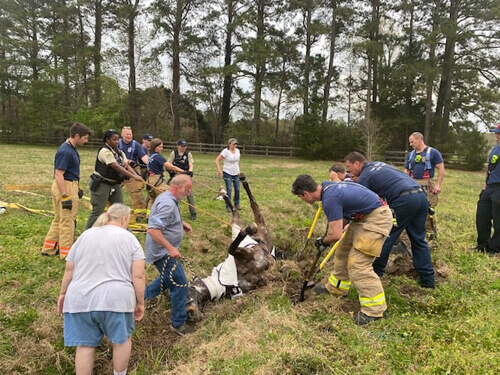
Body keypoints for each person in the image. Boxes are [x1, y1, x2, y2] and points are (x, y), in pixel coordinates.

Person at [292, 175, 393, 325]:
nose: (303, 200)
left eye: (301, 198)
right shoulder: (329, 188)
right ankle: (337, 288)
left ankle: (375, 311)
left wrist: (323, 241)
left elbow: (335, 234)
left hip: (376, 218)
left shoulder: (330, 198)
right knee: (342, 252)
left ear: (306, 194)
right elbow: (342, 217)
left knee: (358, 264)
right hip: (360, 218)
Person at [57, 203, 145, 375]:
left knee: (84, 345)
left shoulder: (85, 235)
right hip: (116, 300)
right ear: (124, 219)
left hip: (80, 299)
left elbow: (69, 269)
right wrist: (140, 302)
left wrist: (63, 294)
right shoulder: (129, 238)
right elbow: (138, 276)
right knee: (121, 341)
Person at [345, 152, 435, 288]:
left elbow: (361, 203)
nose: (348, 171)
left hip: (404, 199)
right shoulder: (378, 165)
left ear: (357, 163)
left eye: (349, 168)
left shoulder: (365, 176)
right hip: (421, 196)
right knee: (418, 239)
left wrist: (351, 221)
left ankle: (376, 273)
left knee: (386, 235)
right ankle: (428, 280)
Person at [144, 175, 194, 336]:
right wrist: (170, 248)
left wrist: (180, 223)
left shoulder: (169, 198)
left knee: (166, 279)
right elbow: (153, 230)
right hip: (162, 252)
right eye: (187, 190)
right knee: (180, 283)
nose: (188, 193)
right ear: (179, 187)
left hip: (163, 250)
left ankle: (137, 297)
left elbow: (164, 221)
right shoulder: (166, 203)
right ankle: (178, 324)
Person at [42, 122, 91, 259]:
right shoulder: (65, 151)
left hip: (69, 184)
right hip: (65, 186)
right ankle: (66, 254)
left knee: (59, 218)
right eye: (85, 138)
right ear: (76, 136)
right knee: (68, 221)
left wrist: (78, 187)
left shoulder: (71, 148)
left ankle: (48, 248)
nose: (86, 141)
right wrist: (65, 195)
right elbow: (59, 174)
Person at [86, 130, 143, 229]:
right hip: (102, 183)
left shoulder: (119, 152)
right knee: (98, 211)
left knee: (120, 209)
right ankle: (87, 233)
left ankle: (123, 231)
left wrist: (136, 175)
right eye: (114, 140)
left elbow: (126, 165)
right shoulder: (105, 151)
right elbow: (116, 167)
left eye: (117, 140)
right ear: (107, 140)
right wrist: (134, 176)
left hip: (114, 184)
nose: (117, 142)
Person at [404, 132, 445, 238]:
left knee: (427, 210)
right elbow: (406, 170)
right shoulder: (411, 155)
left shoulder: (433, 152)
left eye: (412, 142)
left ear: (419, 140)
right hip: (412, 184)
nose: (411, 144)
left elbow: (441, 168)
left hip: (427, 184)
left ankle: (431, 233)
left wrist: (438, 185)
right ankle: (413, 234)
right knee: (412, 209)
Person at [475, 122, 500, 255]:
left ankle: (495, 248)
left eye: (498, 133)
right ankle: (482, 244)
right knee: (482, 216)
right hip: (490, 187)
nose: (497, 135)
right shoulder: (495, 149)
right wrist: (485, 184)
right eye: (496, 132)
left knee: (498, 220)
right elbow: (490, 169)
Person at [146, 138, 187, 208]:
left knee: (153, 199)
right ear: (154, 147)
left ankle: (149, 216)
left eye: (162, 147)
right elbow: (171, 167)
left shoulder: (150, 156)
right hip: (157, 180)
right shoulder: (158, 157)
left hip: (150, 180)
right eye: (159, 147)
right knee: (170, 195)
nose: (161, 148)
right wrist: (183, 171)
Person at [119, 127, 148, 221]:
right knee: (111, 191)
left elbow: (144, 158)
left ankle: (140, 215)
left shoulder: (136, 145)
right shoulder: (116, 143)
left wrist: (152, 163)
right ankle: (108, 212)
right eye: (126, 134)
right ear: (122, 135)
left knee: (137, 193)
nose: (129, 136)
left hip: (132, 172)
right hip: (117, 171)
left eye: (130, 134)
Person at [167, 139, 196, 220]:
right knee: (170, 193)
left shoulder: (188, 154)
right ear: (178, 146)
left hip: (185, 177)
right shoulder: (173, 153)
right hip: (175, 178)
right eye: (182, 146)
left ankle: (193, 213)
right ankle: (173, 212)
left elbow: (191, 164)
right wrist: (172, 171)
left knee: (189, 194)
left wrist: (190, 171)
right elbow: (168, 164)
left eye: (185, 146)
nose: (183, 148)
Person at [216, 138, 241, 212]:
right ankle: (228, 206)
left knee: (237, 189)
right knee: (229, 189)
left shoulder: (238, 151)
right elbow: (217, 160)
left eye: (236, 144)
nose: (235, 145)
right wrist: (219, 170)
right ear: (229, 144)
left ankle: (237, 204)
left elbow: (238, 162)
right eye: (233, 144)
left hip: (235, 173)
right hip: (227, 172)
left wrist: (239, 170)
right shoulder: (225, 151)